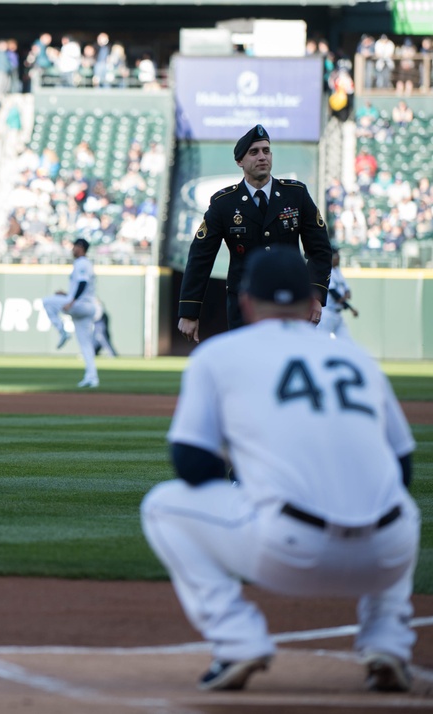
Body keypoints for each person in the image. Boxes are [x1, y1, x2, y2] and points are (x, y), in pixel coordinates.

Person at [142, 247, 418, 693]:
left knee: (163, 506)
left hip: (290, 552)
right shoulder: (357, 359)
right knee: (398, 504)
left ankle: (238, 641)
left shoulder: (220, 355)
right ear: (313, 304)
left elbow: (191, 466)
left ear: (246, 300)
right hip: (387, 553)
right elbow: (402, 466)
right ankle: (388, 640)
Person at [178, 124, 332, 343]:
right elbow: (200, 257)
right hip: (245, 306)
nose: (262, 157)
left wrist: (315, 296)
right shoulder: (224, 203)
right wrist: (189, 311)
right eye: (254, 152)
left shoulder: (296, 194)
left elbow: (320, 250)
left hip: (292, 304)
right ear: (240, 161)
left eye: (266, 151)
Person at [42, 238, 101, 388]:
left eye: (75, 246)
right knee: (86, 345)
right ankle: (92, 377)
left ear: (80, 248)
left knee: (47, 302)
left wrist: (71, 300)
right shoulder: (84, 263)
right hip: (85, 307)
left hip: (82, 305)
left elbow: (83, 283)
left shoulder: (82, 262)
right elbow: (81, 286)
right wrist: (67, 295)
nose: (73, 249)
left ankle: (62, 331)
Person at [318, 244, 358, 338]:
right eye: (336, 255)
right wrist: (351, 308)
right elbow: (335, 295)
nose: (338, 257)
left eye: (338, 255)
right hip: (328, 313)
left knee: (346, 341)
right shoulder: (327, 271)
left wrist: (345, 296)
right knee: (323, 341)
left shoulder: (338, 271)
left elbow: (348, 291)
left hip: (338, 313)